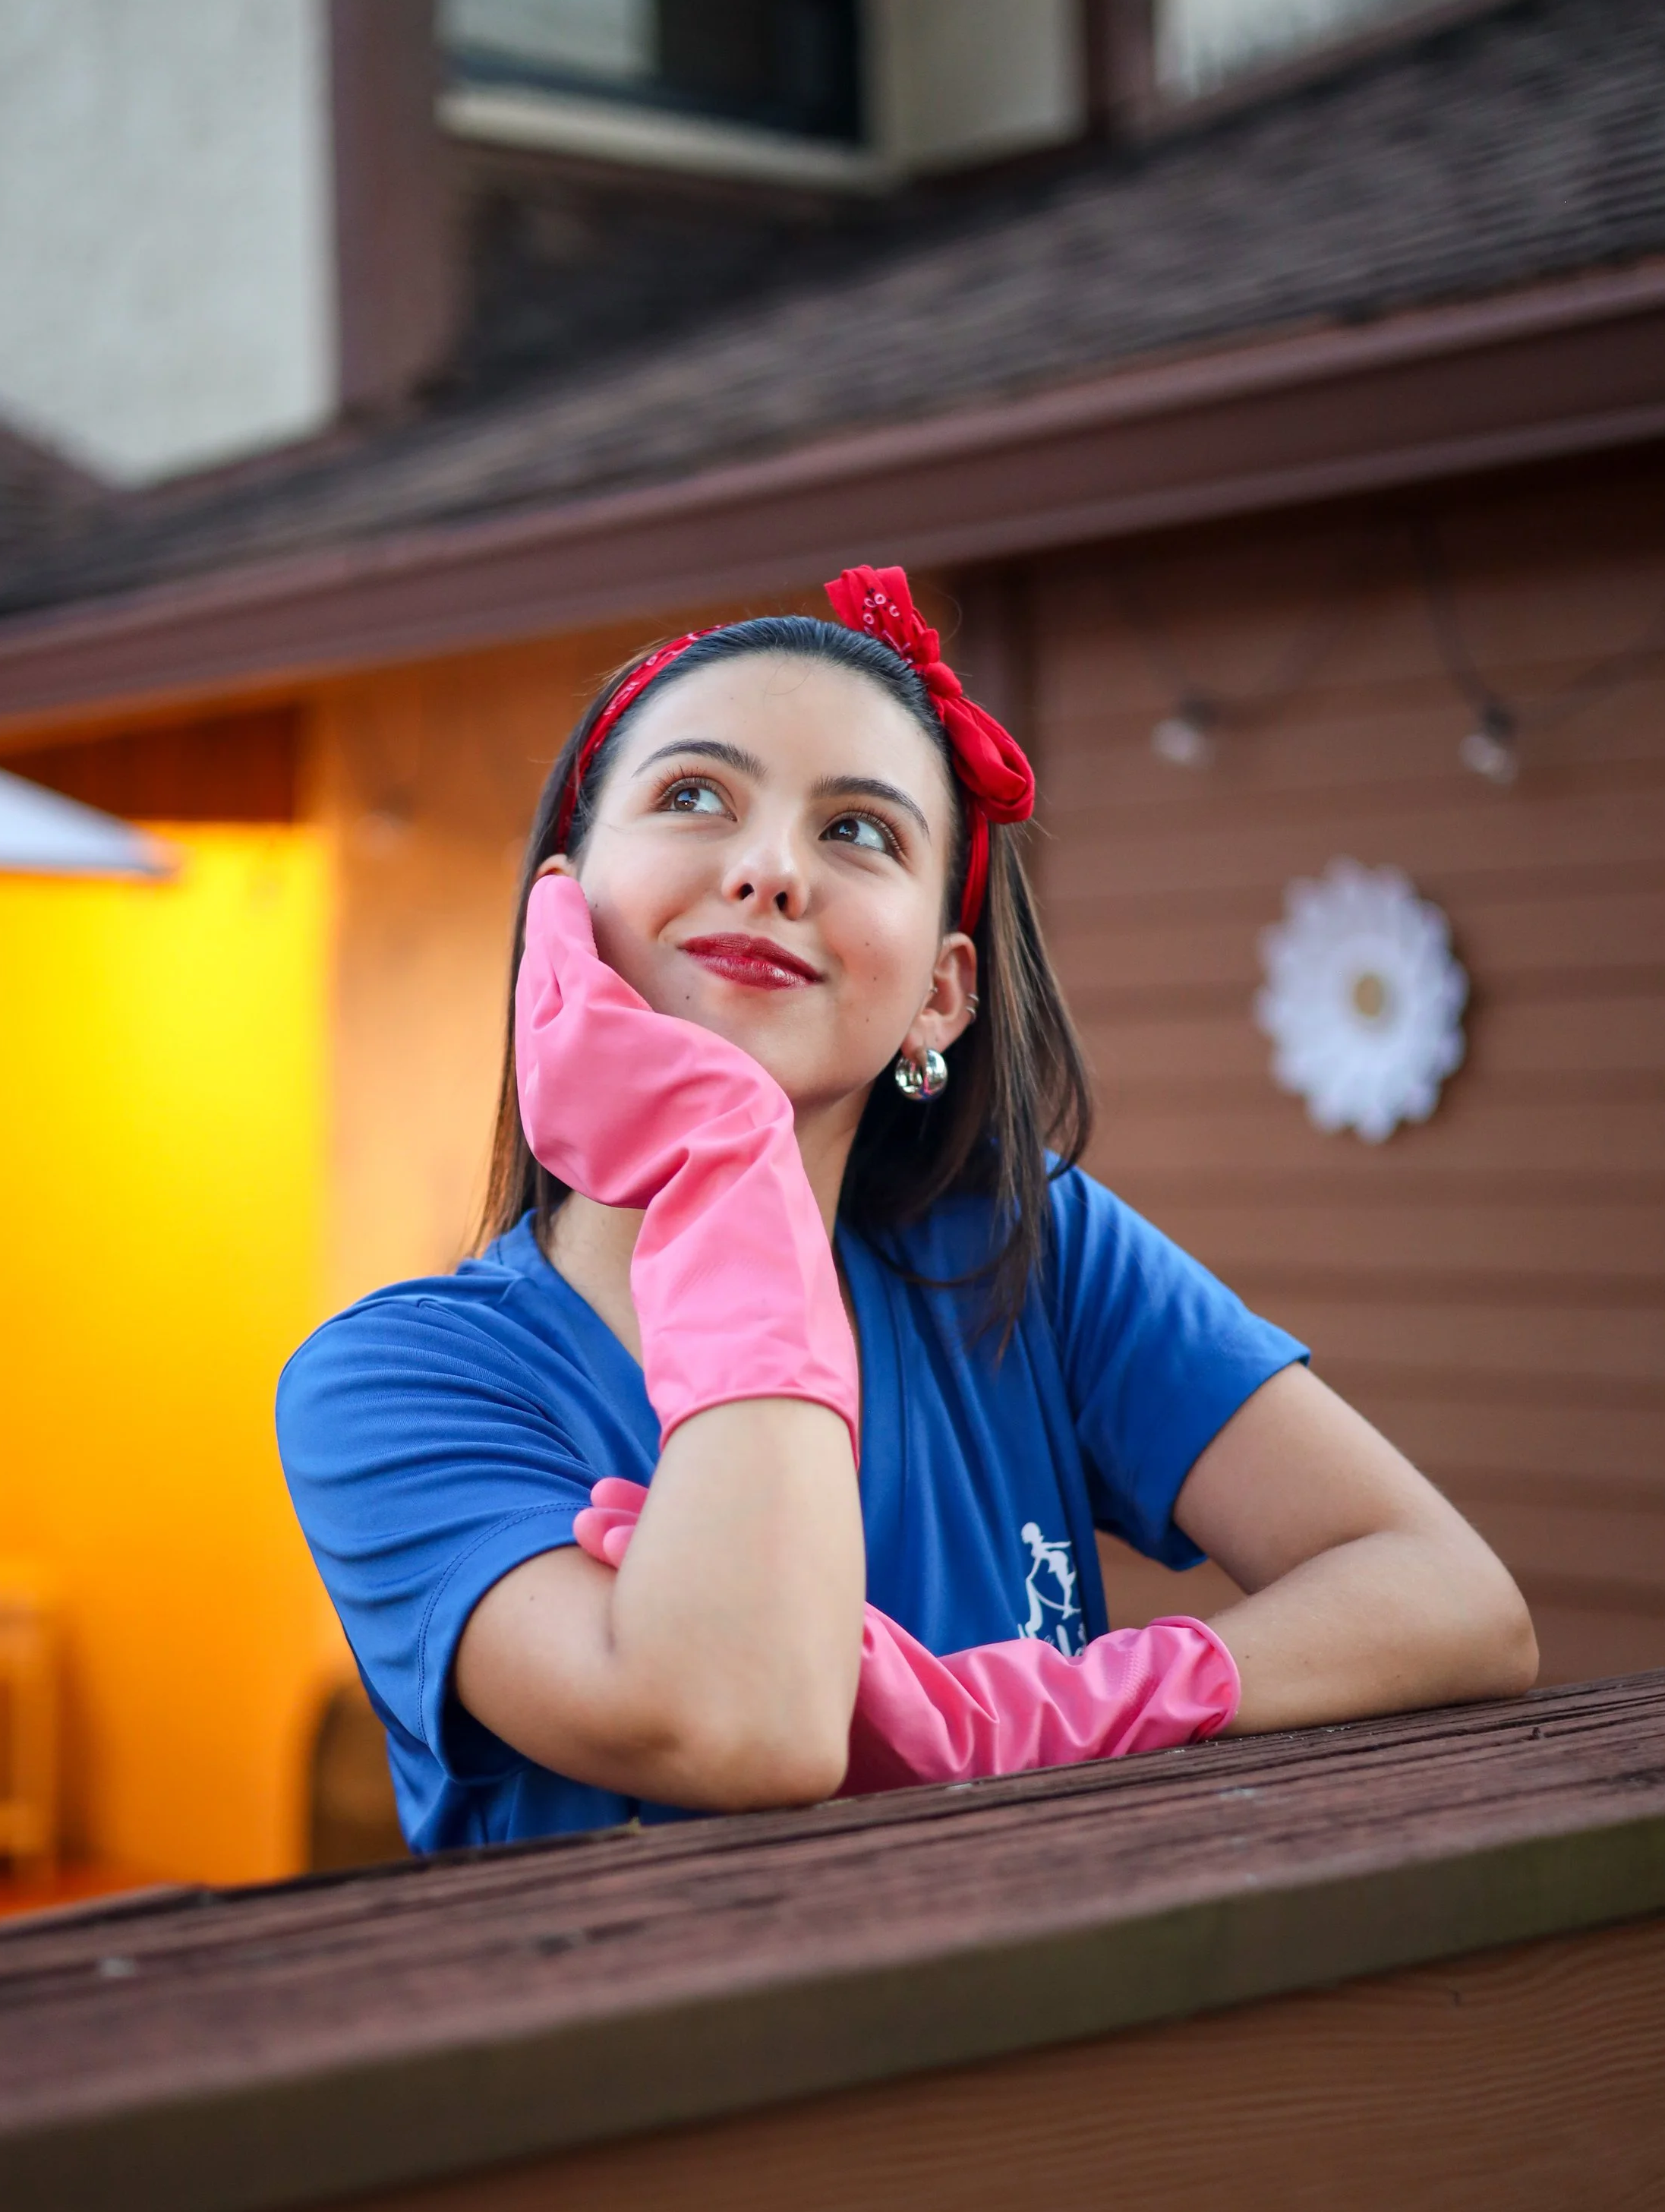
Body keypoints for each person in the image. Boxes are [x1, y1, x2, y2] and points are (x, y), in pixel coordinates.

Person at [276, 567, 1536, 1852]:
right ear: (561, 906)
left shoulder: (1027, 1250)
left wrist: (1029, 1715)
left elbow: (1455, 1596)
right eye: (694, 795)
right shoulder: (392, 1385)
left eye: (859, 831)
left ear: (941, 994)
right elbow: (743, 1722)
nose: (769, 871)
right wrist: (728, 1150)